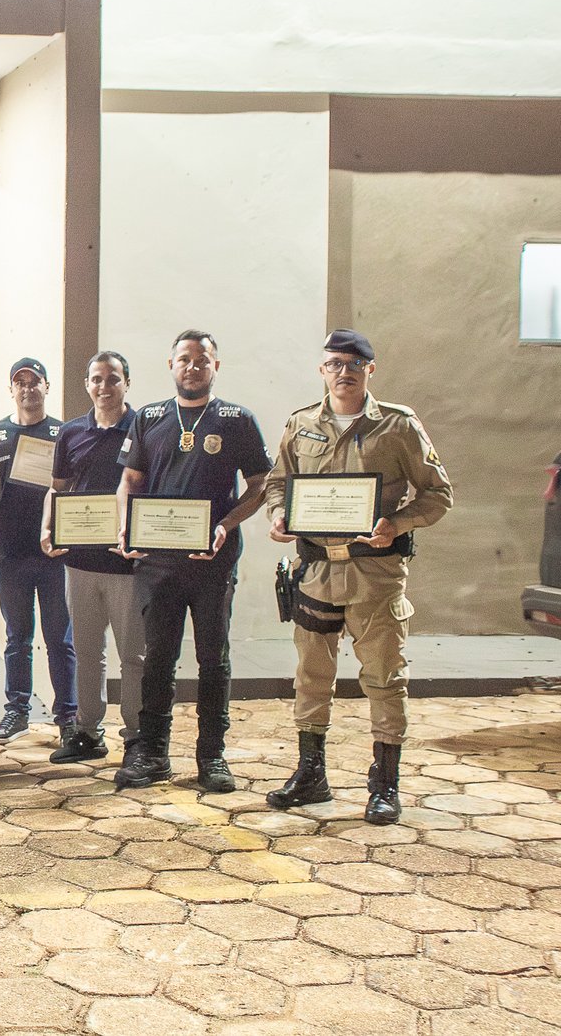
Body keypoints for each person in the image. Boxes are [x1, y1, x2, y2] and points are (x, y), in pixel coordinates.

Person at [263, 329, 452, 825]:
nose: (343, 372)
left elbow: (438, 493)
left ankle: (385, 784)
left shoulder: (398, 425)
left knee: (385, 678)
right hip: (315, 571)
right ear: (322, 370)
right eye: (334, 364)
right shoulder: (301, 423)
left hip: (375, 573)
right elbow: (278, 482)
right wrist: (279, 515)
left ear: (370, 369)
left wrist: (398, 524)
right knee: (311, 676)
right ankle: (311, 775)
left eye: (353, 364)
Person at [113, 330, 271, 793]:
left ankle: (212, 756)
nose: (193, 366)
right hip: (157, 562)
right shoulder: (149, 417)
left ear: (215, 366)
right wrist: (126, 527)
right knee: (158, 658)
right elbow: (130, 482)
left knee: (212, 659)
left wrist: (226, 524)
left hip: (211, 560)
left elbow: (260, 485)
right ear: (171, 364)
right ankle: (152, 753)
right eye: (184, 359)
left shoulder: (238, 420)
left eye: (202, 360)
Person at [40, 352, 145, 763]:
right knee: (87, 653)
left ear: (127, 382)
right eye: (97, 379)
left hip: (127, 564)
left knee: (133, 656)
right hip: (80, 564)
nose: (104, 387)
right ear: (87, 384)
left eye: (113, 379)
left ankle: (137, 737)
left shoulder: (144, 428)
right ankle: (87, 732)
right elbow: (57, 488)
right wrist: (47, 528)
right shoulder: (70, 433)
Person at [0, 356, 75, 749]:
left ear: (46, 387)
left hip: (55, 554)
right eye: (20, 382)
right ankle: (17, 712)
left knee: (60, 639)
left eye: (34, 381)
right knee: (17, 638)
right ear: (11, 389)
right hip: (9, 553)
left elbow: (74, 487)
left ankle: (68, 717)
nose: (27, 389)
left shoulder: (64, 433)